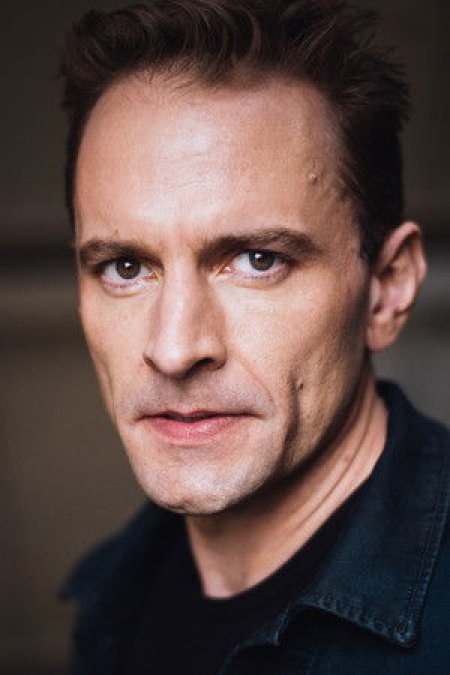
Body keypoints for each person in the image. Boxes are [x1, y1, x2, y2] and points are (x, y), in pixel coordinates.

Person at [59, 1, 450, 673]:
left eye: (257, 260)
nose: (175, 349)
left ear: (386, 287)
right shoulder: (111, 601)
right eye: (125, 267)